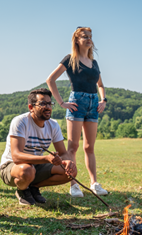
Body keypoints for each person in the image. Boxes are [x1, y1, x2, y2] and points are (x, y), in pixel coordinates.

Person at [46, 26, 107, 197]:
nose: (89, 39)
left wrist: (103, 100)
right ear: (77, 40)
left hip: (93, 103)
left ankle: (94, 184)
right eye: (84, 36)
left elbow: (100, 85)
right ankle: (74, 185)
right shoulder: (70, 59)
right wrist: (61, 102)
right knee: (73, 147)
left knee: (90, 147)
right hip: (76, 103)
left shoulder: (94, 63)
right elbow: (50, 80)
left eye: (90, 36)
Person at [0, 88, 77, 206]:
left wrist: (68, 162)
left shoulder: (53, 125)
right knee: (27, 170)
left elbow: (63, 152)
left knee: (70, 172)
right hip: (11, 167)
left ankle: (33, 187)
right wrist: (46, 159)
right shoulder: (20, 122)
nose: (48, 107)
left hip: (35, 166)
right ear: (31, 107)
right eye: (42, 103)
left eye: (49, 103)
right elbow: (16, 156)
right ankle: (22, 190)